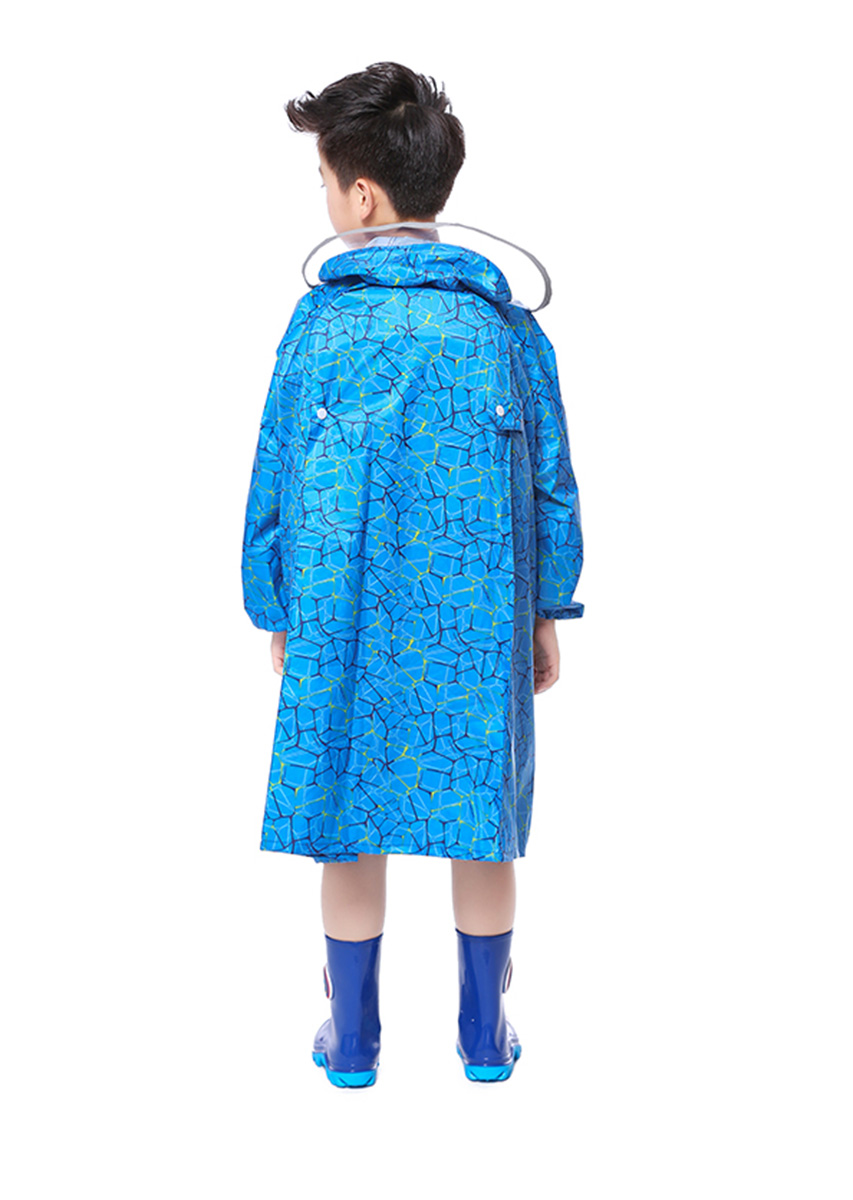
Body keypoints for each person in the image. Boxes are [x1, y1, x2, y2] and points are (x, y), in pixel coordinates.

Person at [241, 62, 584, 1087]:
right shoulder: (501, 327)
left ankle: (352, 1042)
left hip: (342, 606)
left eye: (321, 180)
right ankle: (483, 1035)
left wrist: (275, 602)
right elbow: (552, 481)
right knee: (481, 814)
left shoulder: (320, 323)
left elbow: (275, 467)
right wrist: (546, 608)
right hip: (479, 614)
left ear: (360, 195)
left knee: (349, 814)